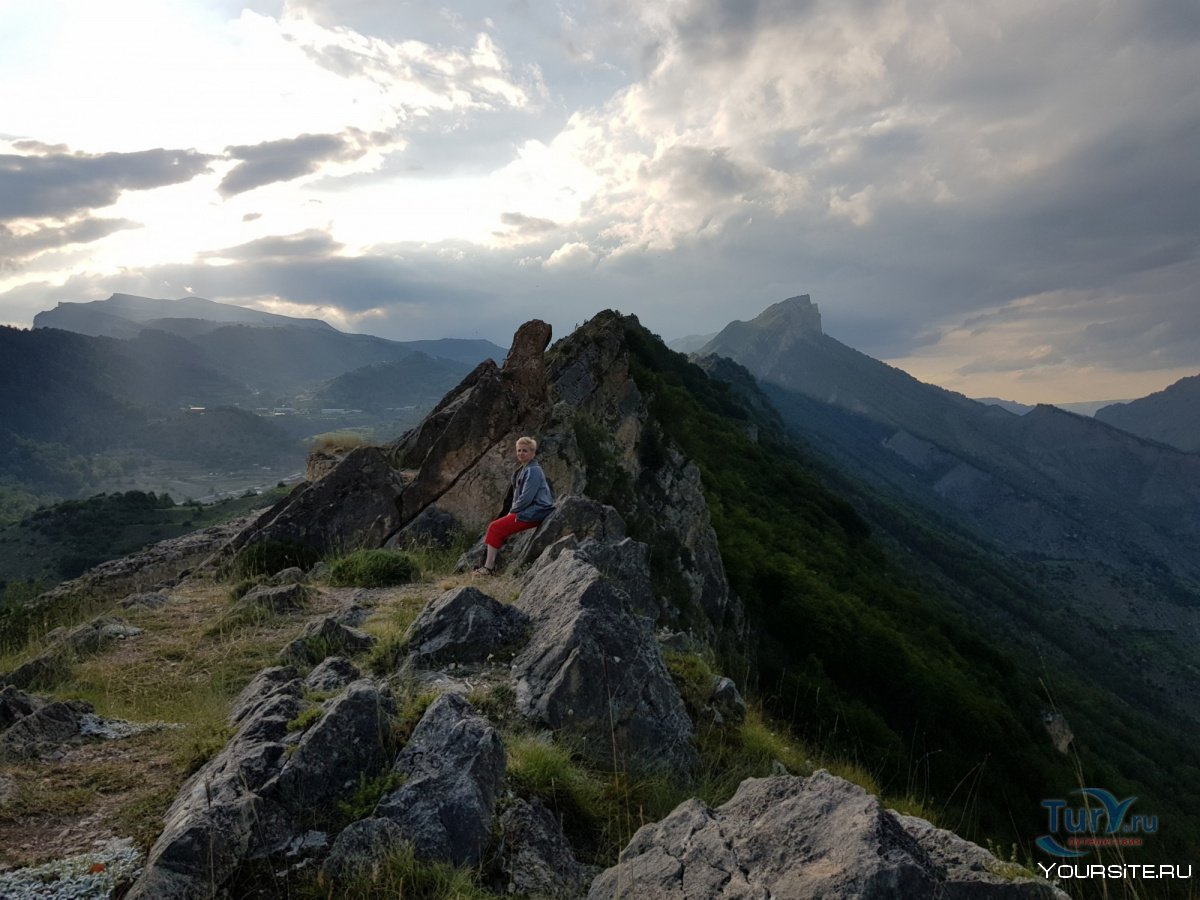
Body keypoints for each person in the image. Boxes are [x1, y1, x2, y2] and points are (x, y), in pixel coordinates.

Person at [474, 436, 555, 576]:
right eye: (518, 450)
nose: (521, 453)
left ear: (533, 453)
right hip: (530, 510)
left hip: (536, 511)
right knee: (497, 527)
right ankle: (490, 567)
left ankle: (488, 568)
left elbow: (526, 498)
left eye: (525, 451)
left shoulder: (533, 470)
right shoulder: (524, 469)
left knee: (495, 527)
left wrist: (512, 512)